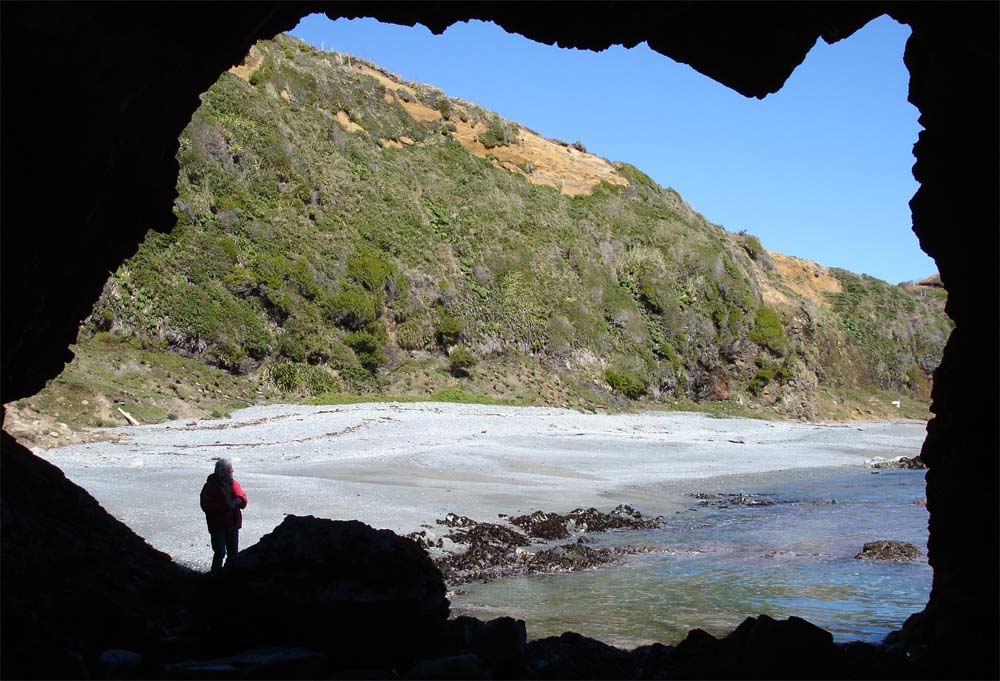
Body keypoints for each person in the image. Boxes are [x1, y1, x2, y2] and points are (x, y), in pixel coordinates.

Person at [199, 458, 248, 572]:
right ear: (221, 472)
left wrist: (239, 501)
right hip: (218, 526)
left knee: (233, 554)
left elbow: (243, 496)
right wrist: (226, 506)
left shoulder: (233, 483)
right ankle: (215, 576)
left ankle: (230, 577)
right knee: (220, 552)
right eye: (229, 471)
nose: (231, 473)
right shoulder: (210, 486)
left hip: (233, 524)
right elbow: (206, 505)